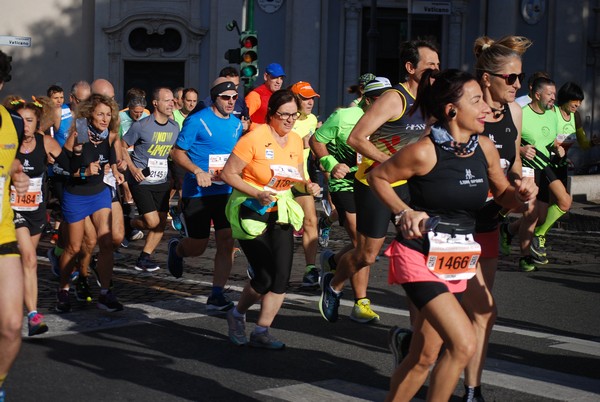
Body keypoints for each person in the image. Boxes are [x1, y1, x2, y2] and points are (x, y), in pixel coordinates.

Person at [367, 68, 537, 402]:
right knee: (463, 343)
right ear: (452, 111)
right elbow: (378, 177)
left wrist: (521, 196)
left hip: (457, 255)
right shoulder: (424, 152)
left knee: (425, 355)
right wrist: (404, 211)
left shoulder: (484, 148)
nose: (485, 109)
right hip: (418, 254)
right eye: (477, 101)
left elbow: (503, 196)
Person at [319, 39, 440, 324]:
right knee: (367, 255)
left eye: (438, 65)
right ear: (411, 68)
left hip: (409, 185)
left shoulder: (431, 99)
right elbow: (356, 138)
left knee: (421, 244)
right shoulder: (394, 99)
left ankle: (422, 316)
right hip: (375, 182)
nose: (436, 71)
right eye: (429, 66)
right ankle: (334, 283)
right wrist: (392, 163)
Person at [460, 35, 532, 402]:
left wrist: (521, 187)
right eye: (511, 78)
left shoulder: (515, 113)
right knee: (475, 309)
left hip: (489, 222)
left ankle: (472, 389)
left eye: (520, 78)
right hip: (455, 226)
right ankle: (415, 342)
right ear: (487, 78)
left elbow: (513, 163)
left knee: (480, 312)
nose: (518, 86)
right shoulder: (462, 109)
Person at [220, 89, 320, 349]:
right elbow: (229, 174)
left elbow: (298, 178)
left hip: (282, 211)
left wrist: (309, 187)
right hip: (251, 210)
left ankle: (262, 330)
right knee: (264, 277)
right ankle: (237, 313)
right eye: (284, 115)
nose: (289, 120)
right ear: (271, 114)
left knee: (281, 278)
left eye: (294, 115)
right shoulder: (254, 138)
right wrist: (257, 192)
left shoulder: (297, 140)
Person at [310, 77, 392, 323]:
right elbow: (317, 140)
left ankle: (334, 262)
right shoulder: (344, 116)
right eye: (380, 99)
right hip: (344, 183)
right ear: (367, 100)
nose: (386, 104)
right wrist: (331, 164)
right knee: (360, 242)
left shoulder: (392, 119)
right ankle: (360, 302)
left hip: (372, 183)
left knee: (365, 246)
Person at [168, 78, 243, 312]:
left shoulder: (236, 124)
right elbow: (176, 152)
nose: (231, 102)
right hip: (198, 191)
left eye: (234, 98)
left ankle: (217, 293)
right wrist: (197, 170)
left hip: (226, 191)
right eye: (226, 98)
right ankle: (178, 249)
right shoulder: (197, 120)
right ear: (214, 98)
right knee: (198, 247)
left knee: (226, 241)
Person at [55, 93, 125, 313]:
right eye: (100, 114)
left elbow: (111, 159)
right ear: (89, 114)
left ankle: (105, 293)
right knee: (74, 247)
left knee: (106, 242)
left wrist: (116, 171)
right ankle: (64, 289)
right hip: (76, 195)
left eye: (108, 114)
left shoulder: (110, 135)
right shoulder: (80, 133)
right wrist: (83, 171)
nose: (104, 118)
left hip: (99, 193)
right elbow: (60, 167)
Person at [9, 99, 65, 335]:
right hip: (13, 210)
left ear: (37, 122)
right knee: (30, 258)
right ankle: (33, 315)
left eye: (30, 121)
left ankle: (19, 303)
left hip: (36, 211)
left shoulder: (46, 142)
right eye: (21, 121)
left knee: (25, 264)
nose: (26, 126)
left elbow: (69, 164)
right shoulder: (8, 145)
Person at [0, 50, 32, 402]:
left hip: (2, 234)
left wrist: (18, 176)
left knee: (10, 328)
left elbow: (9, 165)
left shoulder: (10, 122)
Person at [121, 87, 179, 271]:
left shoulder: (174, 126)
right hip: (141, 180)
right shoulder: (141, 125)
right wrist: (132, 168)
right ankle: (127, 224)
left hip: (162, 180)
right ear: (156, 103)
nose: (172, 104)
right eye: (167, 100)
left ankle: (144, 257)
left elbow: (172, 151)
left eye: (172, 101)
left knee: (161, 223)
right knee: (152, 222)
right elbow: (122, 146)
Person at [518, 77, 571, 271]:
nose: (553, 98)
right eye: (550, 94)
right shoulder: (521, 114)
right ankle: (524, 257)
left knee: (562, 203)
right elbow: (509, 143)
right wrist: (521, 151)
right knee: (531, 215)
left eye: (554, 94)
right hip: (528, 167)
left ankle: (509, 230)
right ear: (537, 95)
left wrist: (558, 148)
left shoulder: (552, 114)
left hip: (545, 164)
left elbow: (550, 140)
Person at [290, 81, 321, 287]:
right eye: (305, 98)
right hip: (278, 178)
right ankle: (261, 264)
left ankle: (310, 269)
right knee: (276, 226)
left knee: (311, 220)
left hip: (302, 177)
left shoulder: (312, 119)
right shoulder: (286, 118)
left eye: (312, 98)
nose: (309, 102)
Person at [245, 62, 285, 130]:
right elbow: (244, 122)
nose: (279, 81)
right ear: (266, 77)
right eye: (275, 77)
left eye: (281, 78)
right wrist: (264, 129)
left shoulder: (280, 97)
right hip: (256, 138)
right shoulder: (255, 95)